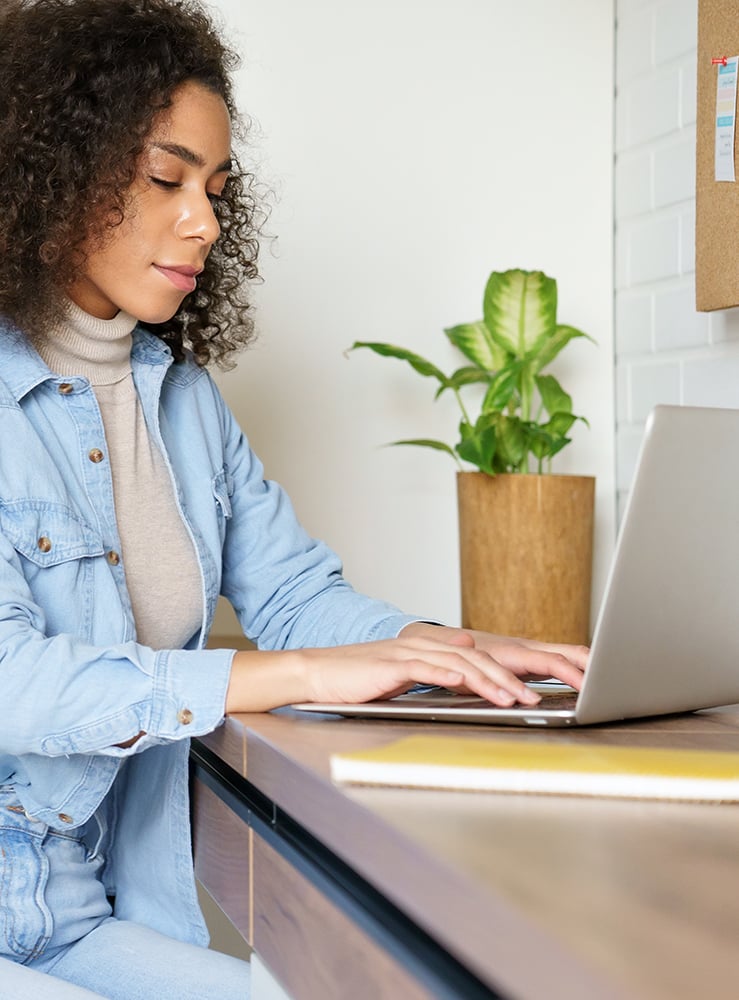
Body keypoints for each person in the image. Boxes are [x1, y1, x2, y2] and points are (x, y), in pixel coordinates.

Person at [0, 0, 589, 997]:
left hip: (66, 912)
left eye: (217, 187)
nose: (206, 220)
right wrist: (292, 674)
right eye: (164, 177)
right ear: (49, 174)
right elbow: (15, 685)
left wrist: (459, 651)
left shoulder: (182, 404)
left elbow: (293, 594)